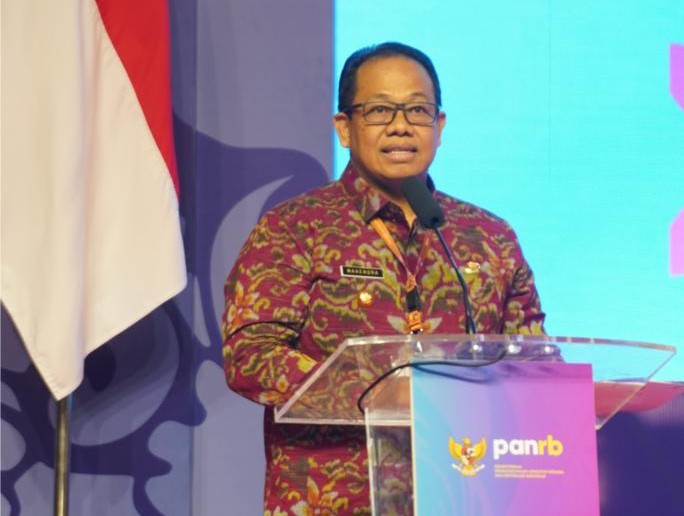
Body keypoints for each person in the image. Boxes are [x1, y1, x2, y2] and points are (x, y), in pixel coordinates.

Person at [222, 42, 545, 514]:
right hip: (334, 499)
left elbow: (534, 361)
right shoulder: (294, 228)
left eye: (417, 110)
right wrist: (377, 392)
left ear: (439, 126)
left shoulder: (488, 236)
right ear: (344, 128)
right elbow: (251, 356)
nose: (400, 125)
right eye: (379, 110)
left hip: (467, 493)